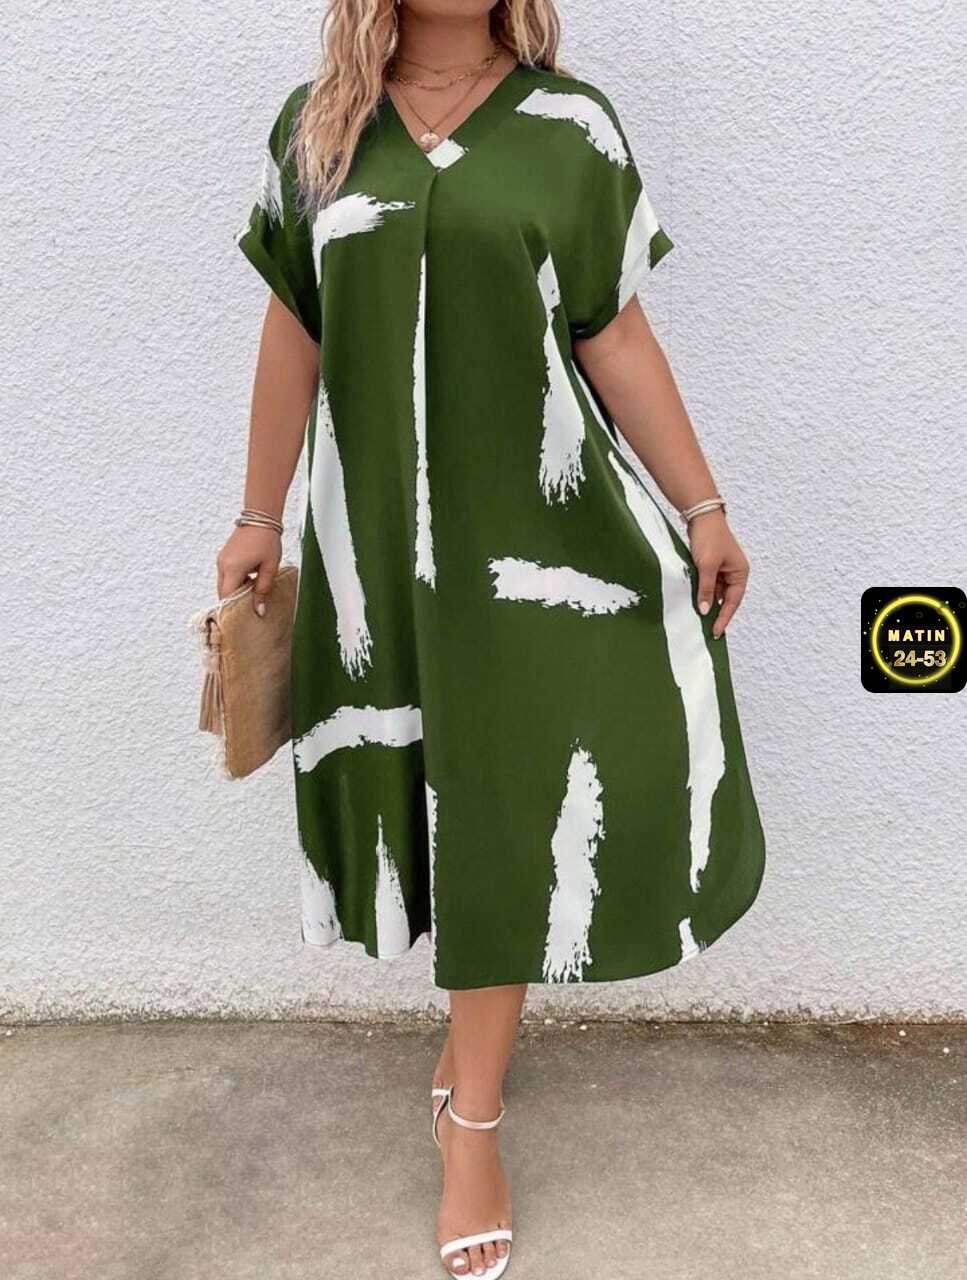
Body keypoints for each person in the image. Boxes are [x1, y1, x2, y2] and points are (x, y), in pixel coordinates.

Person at [218, 2, 767, 1275]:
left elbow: (611, 330)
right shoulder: (317, 131)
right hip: (382, 552)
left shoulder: (570, 126)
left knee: (511, 808)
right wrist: (257, 515)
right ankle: (470, 1061)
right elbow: (295, 325)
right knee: (448, 804)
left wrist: (701, 506)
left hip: (547, 539)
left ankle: (471, 1118)